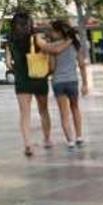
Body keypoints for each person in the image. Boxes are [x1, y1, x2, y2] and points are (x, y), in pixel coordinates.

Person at [5, 11, 69, 157]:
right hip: (39, 78)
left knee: (24, 114)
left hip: (22, 80)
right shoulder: (36, 38)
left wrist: (18, 69)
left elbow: (8, 63)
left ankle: (28, 144)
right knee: (43, 111)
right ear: (30, 23)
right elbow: (49, 51)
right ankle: (47, 139)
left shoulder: (10, 41)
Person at [49, 20, 89, 150]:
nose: (51, 33)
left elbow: (52, 67)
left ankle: (70, 141)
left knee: (64, 112)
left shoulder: (53, 47)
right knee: (75, 108)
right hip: (72, 81)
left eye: (53, 31)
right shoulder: (75, 45)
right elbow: (82, 65)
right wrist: (85, 84)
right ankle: (79, 137)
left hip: (58, 82)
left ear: (59, 32)